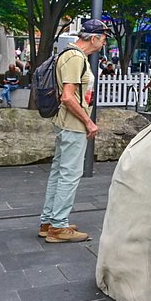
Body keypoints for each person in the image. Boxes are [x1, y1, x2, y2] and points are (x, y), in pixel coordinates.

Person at [38, 18, 112, 243]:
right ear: (94, 38)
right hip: (72, 124)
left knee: (59, 171)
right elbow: (68, 97)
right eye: (104, 38)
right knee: (69, 174)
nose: (104, 42)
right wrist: (88, 122)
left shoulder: (70, 55)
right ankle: (58, 227)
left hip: (65, 123)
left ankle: (49, 221)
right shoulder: (75, 58)